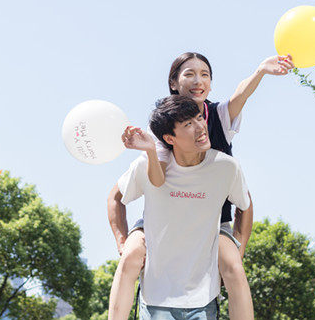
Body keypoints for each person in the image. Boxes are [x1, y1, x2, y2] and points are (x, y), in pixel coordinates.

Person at [107, 52, 294, 320]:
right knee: (131, 256)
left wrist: (260, 72)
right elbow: (156, 180)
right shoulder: (163, 124)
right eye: (189, 74)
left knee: (232, 265)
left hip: (214, 222)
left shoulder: (218, 117)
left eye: (205, 74)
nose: (198, 80)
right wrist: (122, 241)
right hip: (163, 222)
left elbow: (241, 95)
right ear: (173, 83)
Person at [116, 95, 251, 320]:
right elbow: (116, 198)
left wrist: (239, 246)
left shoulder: (226, 167)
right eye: (188, 124)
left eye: (199, 118)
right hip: (156, 300)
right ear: (170, 138)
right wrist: (123, 241)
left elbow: (245, 205)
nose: (200, 127)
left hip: (203, 300)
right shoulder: (146, 166)